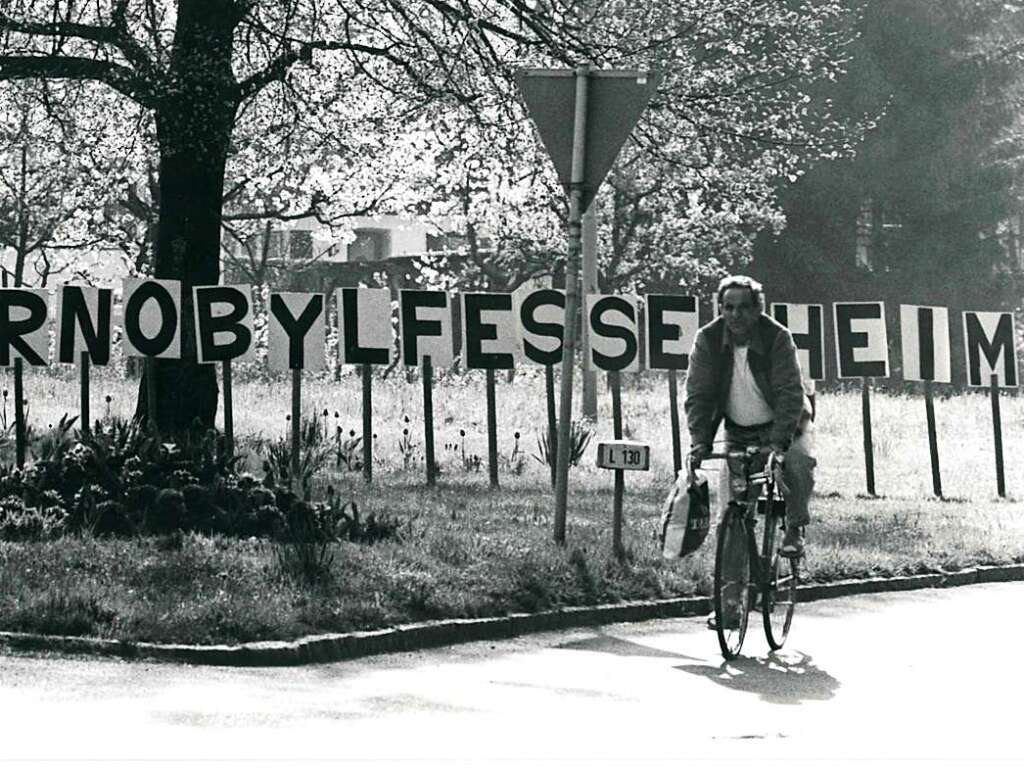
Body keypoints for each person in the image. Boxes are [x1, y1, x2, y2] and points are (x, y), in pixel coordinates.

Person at [685, 275, 815, 558]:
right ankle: (733, 596)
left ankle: (794, 529)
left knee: (798, 463)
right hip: (738, 431)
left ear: (758, 310)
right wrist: (700, 442)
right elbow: (699, 395)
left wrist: (778, 444)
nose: (735, 315)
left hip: (787, 425)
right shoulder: (707, 340)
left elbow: (788, 393)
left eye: (744, 307)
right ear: (720, 309)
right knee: (730, 516)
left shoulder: (778, 338)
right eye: (728, 307)